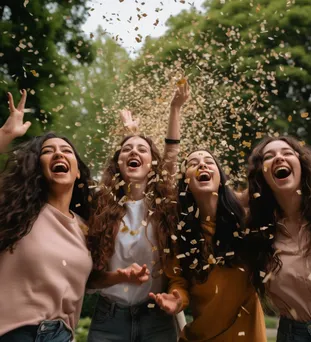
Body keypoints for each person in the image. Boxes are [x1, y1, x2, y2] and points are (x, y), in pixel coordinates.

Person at [86, 83, 190, 342]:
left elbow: (171, 154)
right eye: (126, 150)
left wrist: (175, 108)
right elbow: (92, 280)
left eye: (142, 150)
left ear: (153, 164)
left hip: (156, 317)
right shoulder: (100, 206)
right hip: (109, 318)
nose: (133, 152)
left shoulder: (164, 203)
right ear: (117, 162)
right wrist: (120, 277)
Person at [0, 90, 93, 342]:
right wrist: (6, 135)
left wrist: (120, 277)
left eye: (67, 151)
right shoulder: (13, 212)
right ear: (37, 167)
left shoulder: (86, 228)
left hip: (62, 336)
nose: (59, 154)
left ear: (77, 173)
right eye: (48, 151)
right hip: (13, 333)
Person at [149, 149, 267, 341]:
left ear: (221, 177)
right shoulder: (178, 233)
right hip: (200, 337)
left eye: (209, 162)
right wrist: (177, 300)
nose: (202, 165)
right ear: (185, 182)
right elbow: (178, 281)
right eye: (193, 163)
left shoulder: (246, 223)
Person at [246, 135, 311, 342]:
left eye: (287, 153)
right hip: (292, 335)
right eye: (268, 157)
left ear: (302, 165)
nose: (279, 158)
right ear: (261, 173)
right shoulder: (257, 228)